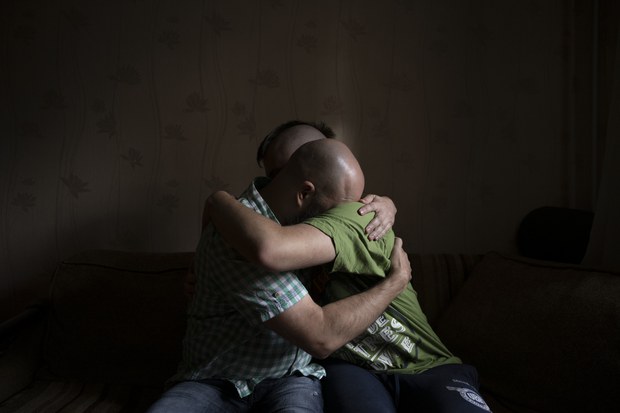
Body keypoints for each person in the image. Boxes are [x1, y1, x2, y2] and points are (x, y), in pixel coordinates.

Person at [147, 137, 412, 412]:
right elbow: (321, 336)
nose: (345, 222)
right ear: (304, 193)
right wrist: (394, 283)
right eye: (337, 215)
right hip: (214, 380)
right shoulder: (240, 236)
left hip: (292, 377)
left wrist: (387, 205)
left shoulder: (299, 214)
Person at [203, 179, 492, 411]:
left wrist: (218, 200)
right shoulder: (275, 230)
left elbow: (272, 246)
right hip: (352, 368)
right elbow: (269, 244)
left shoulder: (361, 217)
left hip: (428, 365)